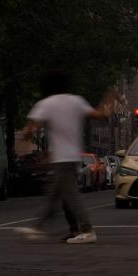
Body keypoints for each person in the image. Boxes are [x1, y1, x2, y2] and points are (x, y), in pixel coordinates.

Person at [16, 70, 117, 244]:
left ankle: (87, 229)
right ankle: (42, 227)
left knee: (69, 195)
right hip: (73, 156)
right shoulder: (76, 101)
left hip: (61, 158)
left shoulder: (46, 103)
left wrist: (26, 135)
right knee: (56, 195)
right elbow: (100, 115)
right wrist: (110, 98)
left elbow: (32, 127)